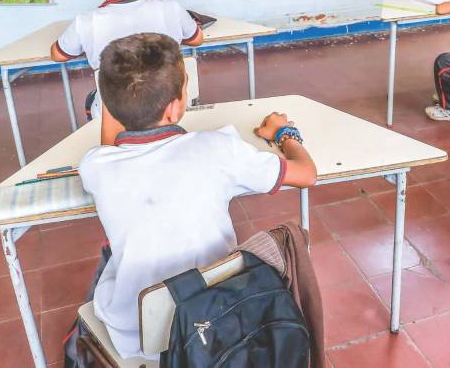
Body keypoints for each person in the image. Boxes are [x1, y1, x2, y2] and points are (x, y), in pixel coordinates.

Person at [80, 33, 317, 359]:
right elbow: (306, 174)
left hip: (133, 331)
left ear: (108, 104)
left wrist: (115, 97)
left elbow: (112, 148)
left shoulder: (95, 166)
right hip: (215, 320)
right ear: (176, 107)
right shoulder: (218, 149)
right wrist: (283, 133)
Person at [50, 0, 203, 121]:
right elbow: (197, 39)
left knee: (93, 99)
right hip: (172, 110)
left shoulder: (86, 22)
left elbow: (58, 54)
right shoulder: (171, 9)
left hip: (116, 116)